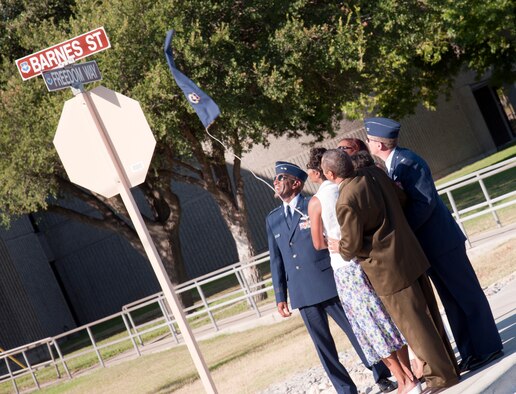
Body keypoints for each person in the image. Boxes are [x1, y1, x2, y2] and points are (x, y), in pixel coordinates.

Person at [364, 117, 503, 373]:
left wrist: (404, 232)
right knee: (451, 300)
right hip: (428, 245)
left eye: (370, 140)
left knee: (467, 295)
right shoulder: (393, 163)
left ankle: (488, 347)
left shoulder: (409, 162)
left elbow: (424, 202)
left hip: (441, 241)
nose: (368, 143)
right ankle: (470, 352)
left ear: (380, 144)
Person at [322, 149, 460, 393]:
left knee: (415, 326)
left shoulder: (346, 200)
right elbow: (402, 199)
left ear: (330, 174)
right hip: (410, 254)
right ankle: (449, 368)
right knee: (431, 317)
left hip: (387, 269)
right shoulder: (375, 173)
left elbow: (351, 246)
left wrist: (339, 247)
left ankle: (441, 377)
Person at [266, 161, 396, 394]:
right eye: (275, 179)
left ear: (296, 183)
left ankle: (381, 374)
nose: (275, 183)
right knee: (323, 347)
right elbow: (276, 260)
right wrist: (280, 295)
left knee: (357, 331)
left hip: (329, 282)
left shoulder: (312, 204)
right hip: (302, 292)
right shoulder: (273, 218)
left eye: (280, 179)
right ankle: (345, 389)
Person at [306, 148, 420, 394]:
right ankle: (409, 372)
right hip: (367, 259)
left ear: (320, 172)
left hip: (345, 268)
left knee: (370, 326)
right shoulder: (350, 186)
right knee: (387, 317)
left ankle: (404, 380)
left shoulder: (315, 201)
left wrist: (330, 240)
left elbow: (317, 243)